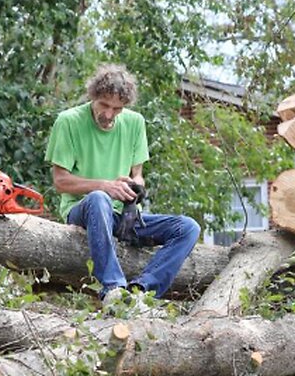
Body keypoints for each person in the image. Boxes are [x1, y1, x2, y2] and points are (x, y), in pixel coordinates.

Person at [45, 64, 200, 305]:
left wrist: (133, 187)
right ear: (93, 97)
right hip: (84, 212)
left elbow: (138, 175)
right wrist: (104, 186)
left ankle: (141, 292)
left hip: (122, 217)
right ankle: (113, 288)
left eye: (117, 109)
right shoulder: (69, 121)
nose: (109, 114)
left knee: (188, 228)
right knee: (99, 198)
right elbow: (60, 182)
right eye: (104, 105)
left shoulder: (135, 123)